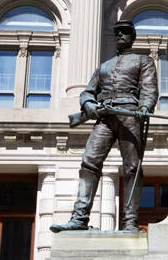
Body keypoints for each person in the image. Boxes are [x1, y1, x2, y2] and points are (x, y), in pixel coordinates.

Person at [51, 20, 158, 233]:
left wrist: (145, 106)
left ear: (133, 37)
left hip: (130, 115)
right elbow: (87, 92)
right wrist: (89, 105)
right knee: (89, 162)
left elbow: (149, 88)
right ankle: (79, 219)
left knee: (132, 168)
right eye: (117, 32)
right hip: (105, 117)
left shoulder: (143, 60)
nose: (120, 35)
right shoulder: (103, 66)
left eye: (125, 32)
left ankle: (129, 222)